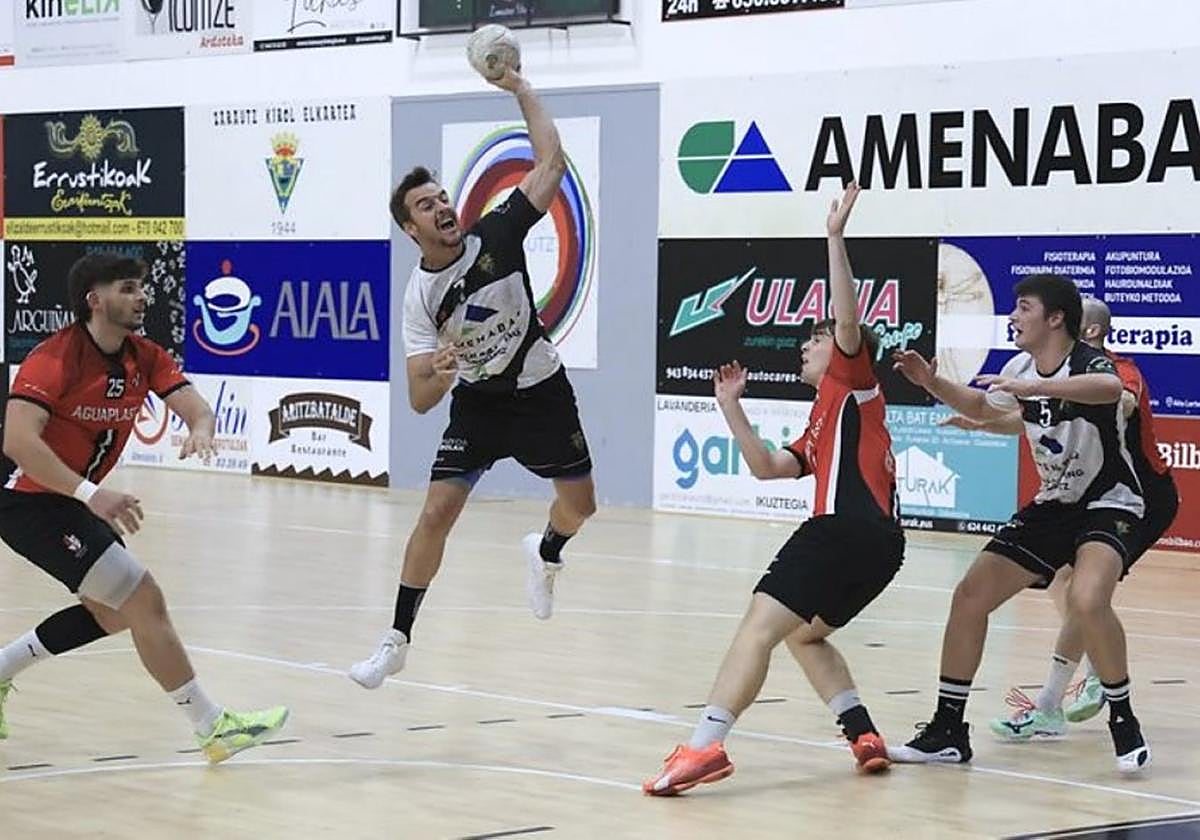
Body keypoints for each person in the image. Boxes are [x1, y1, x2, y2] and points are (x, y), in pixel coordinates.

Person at [642, 183, 905, 796]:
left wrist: (834, 236)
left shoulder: (851, 382)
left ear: (844, 351)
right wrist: (730, 407)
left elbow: (846, 319)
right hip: (883, 547)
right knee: (803, 634)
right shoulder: (822, 421)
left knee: (756, 628)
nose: (805, 346)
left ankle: (704, 747)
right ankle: (863, 734)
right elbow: (765, 468)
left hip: (840, 532)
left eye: (814, 339)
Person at [349, 62, 596, 688]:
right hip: (480, 407)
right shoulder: (418, 299)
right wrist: (438, 373)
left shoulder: (499, 231)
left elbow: (551, 164)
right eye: (425, 205)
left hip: (542, 392)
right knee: (435, 513)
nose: (441, 207)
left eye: (442, 198)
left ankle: (545, 551)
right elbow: (419, 399)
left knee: (581, 505)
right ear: (411, 229)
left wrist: (520, 89)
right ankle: (396, 639)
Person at [0, 253, 288, 762]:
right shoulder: (56, 358)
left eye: (141, 288)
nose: (141, 298)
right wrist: (92, 495)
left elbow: (196, 407)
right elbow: (19, 441)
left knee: (114, 614)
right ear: (95, 300)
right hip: (23, 501)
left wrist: (201, 429)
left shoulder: (145, 356)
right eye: (128, 288)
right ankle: (211, 727)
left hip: (67, 499)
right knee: (144, 601)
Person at [890, 274, 1152, 774]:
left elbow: (1109, 388)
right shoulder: (1018, 367)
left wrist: (1036, 388)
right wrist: (932, 383)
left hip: (1108, 500)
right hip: (1053, 504)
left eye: (1023, 307)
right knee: (970, 595)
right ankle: (948, 730)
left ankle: (1123, 718)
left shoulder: (1087, 361)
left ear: (1055, 318)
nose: (1012, 316)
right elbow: (983, 406)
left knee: (1087, 599)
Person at [942, 298, 1178, 740]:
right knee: (1069, 585)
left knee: (1084, 591)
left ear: (1088, 332)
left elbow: (1122, 400)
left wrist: (1044, 388)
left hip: (1140, 494)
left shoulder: (1115, 369)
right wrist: (984, 424)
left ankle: (1085, 681)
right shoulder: (1050, 371)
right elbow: (1034, 418)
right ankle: (1062, 695)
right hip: (1087, 496)